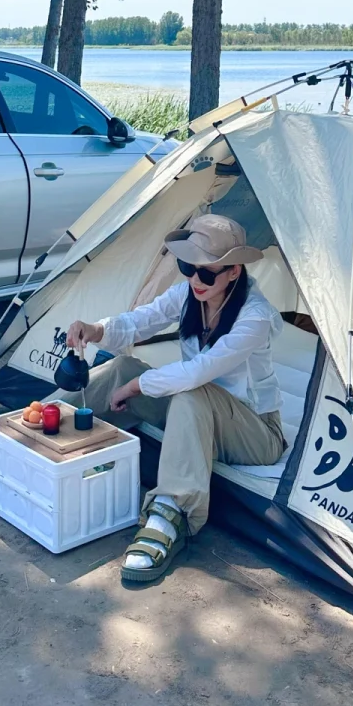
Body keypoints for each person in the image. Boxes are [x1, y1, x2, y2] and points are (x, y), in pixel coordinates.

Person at [63, 212, 285, 586]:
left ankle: (171, 513)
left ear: (234, 271)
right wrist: (95, 329)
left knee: (187, 391)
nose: (195, 279)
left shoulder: (255, 317)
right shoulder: (188, 295)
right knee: (122, 367)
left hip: (255, 434)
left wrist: (137, 387)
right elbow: (139, 321)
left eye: (207, 273)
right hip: (197, 415)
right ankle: (40, 425)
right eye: (187, 267)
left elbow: (199, 371)